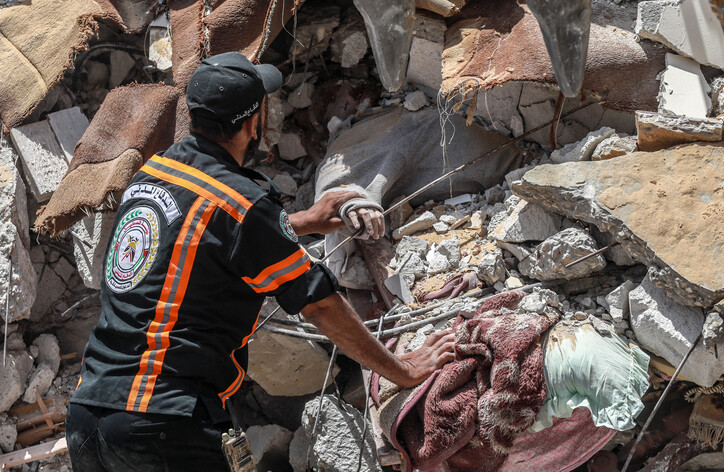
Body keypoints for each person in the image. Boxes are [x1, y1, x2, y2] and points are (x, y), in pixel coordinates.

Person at [65, 52, 455, 472]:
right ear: (254, 122)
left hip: (88, 416)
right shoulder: (243, 204)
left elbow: (205, 238)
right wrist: (403, 369)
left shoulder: (151, 176)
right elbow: (320, 304)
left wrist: (302, 223)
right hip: (163, 423)